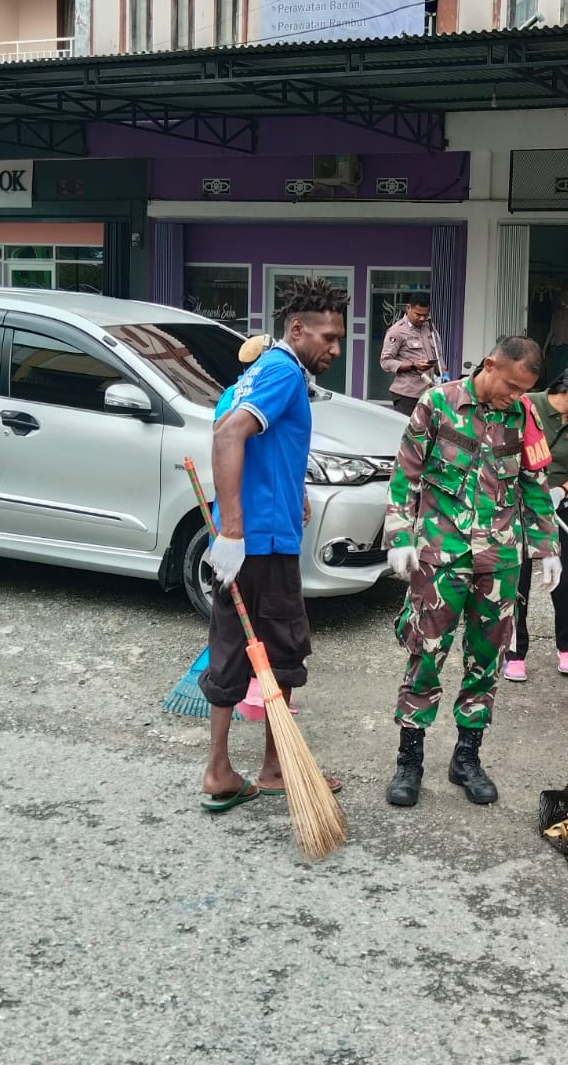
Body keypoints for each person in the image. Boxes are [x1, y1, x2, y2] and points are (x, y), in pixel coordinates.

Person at [382, 335, 561, 808]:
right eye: (510, 386)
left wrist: (548, 548)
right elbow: (407, 473)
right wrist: (400, 536)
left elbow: (536, 484)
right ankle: (410, 761)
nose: (514, 396)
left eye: (525, 390)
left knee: (488, 660)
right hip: (442, 552)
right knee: (427, 653)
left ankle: (466, 758)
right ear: (490, 365)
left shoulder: (524, 416)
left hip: (500, 557)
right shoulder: (436, 404)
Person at [197, 277, 348, 813]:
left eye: (339, 340)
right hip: (261, 543)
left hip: (250, 537)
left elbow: (259, 442)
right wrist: (236, 531)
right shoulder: (283, 372)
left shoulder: (258, 372)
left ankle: (219, 771)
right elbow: (228, 435)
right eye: (327, 338)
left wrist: (295, 486)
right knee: (282, 650)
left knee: (230, 650)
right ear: (297, 328)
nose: (334, 349)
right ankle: (274, 767)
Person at [504, 363, 568, 682]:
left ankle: (567, 647)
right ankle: (515, 652)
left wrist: (561, 490)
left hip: (559, 508)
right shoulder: (526, 405)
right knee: (517, 579)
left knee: (564, 581)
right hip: (519, 507)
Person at [379, 292, 446, 416]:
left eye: (425, 315)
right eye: (418, 314)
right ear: (408, 308)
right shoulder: (397, 331)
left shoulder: (429, 328)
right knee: (408, 432)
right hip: (407, 395)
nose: (422, 318)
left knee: (427, 433)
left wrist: (444, 375)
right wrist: (413, 365)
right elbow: (385, 361)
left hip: (430, 392)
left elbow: (438, 354)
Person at [545, 292, 568, 382]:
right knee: (553, 371)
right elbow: (551, 332)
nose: (562, 303)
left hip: (566, 345)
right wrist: (544, 348)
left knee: (563, 371)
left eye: (563, 301)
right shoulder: (555, 315)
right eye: (561, 301)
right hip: (555, 346)